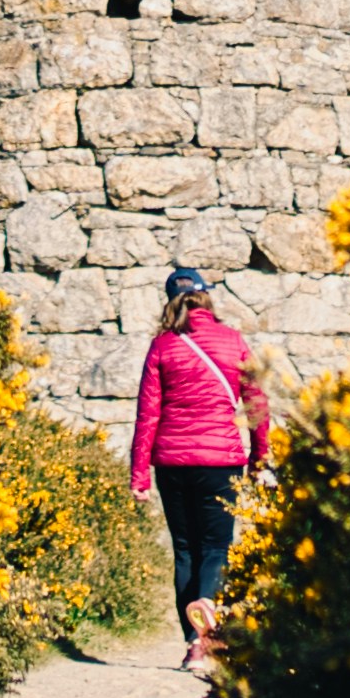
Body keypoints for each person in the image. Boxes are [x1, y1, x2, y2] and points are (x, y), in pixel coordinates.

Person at [124, 266, 276, 668]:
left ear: (170, 302)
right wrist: (261, 459)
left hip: (171, 462)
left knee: (185, 550)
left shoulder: (162, 346)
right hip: (221, 461)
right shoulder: (234, 342)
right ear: (207, 299)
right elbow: (257, 405)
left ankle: (193, 638)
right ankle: (205, 627)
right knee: (216, 547)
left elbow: (147, 415)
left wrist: (139, 474)